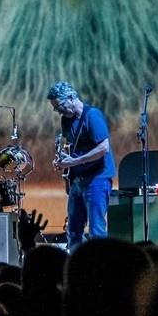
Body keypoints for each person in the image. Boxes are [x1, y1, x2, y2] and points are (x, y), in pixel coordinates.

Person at [48, 82, 114, 252]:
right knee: (73, 230)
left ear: (71, 98)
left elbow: (103, 148)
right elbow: (71, 148)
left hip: (97, 178)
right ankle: (75, 267)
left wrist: (75, 162)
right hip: (78, 180)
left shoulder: (92, 116)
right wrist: (62, 159)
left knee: (96, 231)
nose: (59, 111)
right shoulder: (66, 120)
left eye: (60, 106)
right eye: (56, 109)